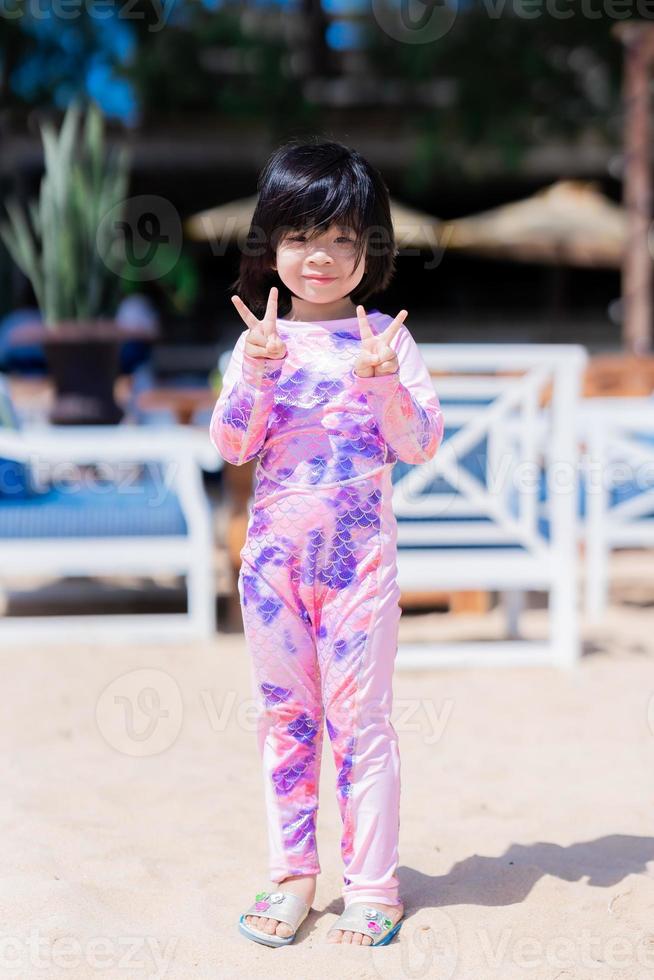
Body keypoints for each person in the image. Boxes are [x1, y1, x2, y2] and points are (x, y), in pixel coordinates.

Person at [209, 138, 444, 948]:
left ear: (369, 250)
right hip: (274, 568)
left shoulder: (387, 340)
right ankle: (294, 877)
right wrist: (257, 374)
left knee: (362, 723)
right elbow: (234, 446)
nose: (325, 257)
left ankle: (374, 883)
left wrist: (383, 384)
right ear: (273, 241)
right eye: (306, 236)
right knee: (286, 721)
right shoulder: (257, 342)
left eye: (347, 239)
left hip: (361, 573)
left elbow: (418, 446)